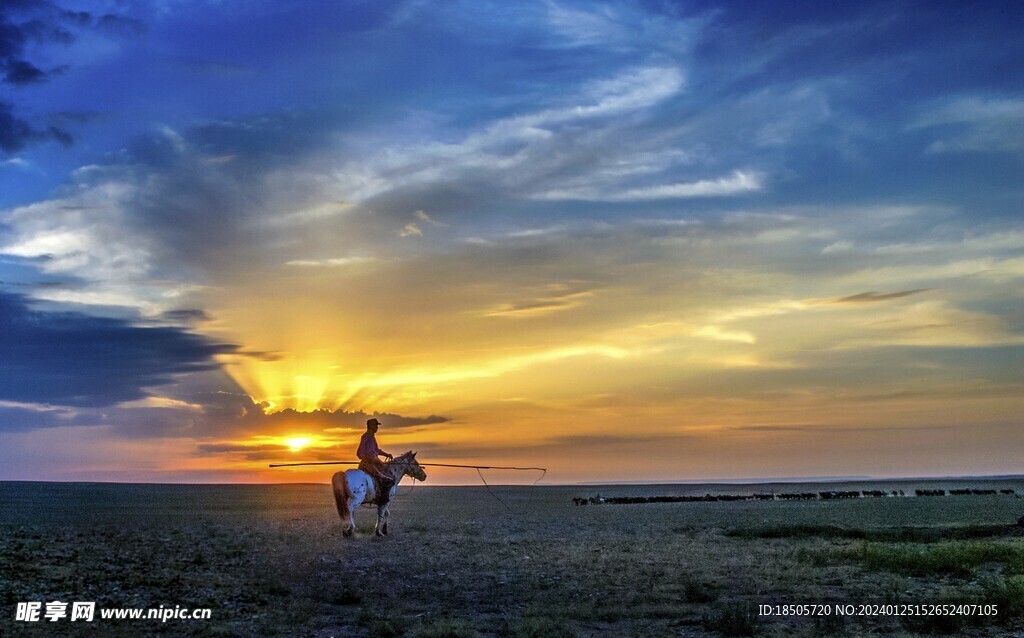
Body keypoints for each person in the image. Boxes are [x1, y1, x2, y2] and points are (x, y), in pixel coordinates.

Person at [357, 418, 395, 503]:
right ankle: (382, 499)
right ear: (370, 426)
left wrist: (386, 454)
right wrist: (369, 458)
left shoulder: (372, 437)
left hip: (374, 462)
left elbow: (377, 450)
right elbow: (359, 452)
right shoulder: (366, 436)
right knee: (387, 478)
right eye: (375, 426)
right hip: (369, 464)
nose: (377, 428)